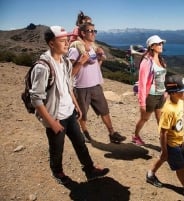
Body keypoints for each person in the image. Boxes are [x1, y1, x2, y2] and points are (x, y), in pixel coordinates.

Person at [29, 25, 109, 184]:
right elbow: (36, 99)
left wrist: (77, 106)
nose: (67, 44)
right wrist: (51, 122)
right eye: (63, 41)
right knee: (57, 148)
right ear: (52, 44)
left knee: (80, 142)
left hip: (70, 113)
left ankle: (89, 169)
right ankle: (57, 172)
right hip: (55, 117)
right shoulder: (42, 67)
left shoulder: (65, 62)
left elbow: (68, 86)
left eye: (67, 41)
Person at [146, 75, 184, 199]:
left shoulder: (180, 102)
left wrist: (179, 140)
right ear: (173, 93)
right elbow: (163, 132)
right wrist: (165, 149)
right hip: (170, 143)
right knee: (180, 166)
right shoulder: (168, 110)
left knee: (163, 158)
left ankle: (150, 174)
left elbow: (177, 124)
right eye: (183, 90)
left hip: (176, 141)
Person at [68, 22, 126, 143]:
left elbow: (95, 67)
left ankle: (112, 133)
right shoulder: (75, 49)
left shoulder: (93, 48)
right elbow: (70, 73)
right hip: (81, 87)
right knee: (82, 114)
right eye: (91, 31)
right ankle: (84, 133)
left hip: (95, 86)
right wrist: (81, 62)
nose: (94, 33)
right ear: (83, 33)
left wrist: (100, 59)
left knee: (104, 110)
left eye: (95, 31)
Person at [132, 35, 167, 145]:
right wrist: (142, 103)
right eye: (159, 44)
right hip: (151, 96)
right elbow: (142, 83)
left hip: (161, 95)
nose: (161, 45)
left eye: (162, 43)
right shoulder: (147, 61)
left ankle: (164, 143)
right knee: (144, 118)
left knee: (160, 120)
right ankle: (136, 136)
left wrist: (165, 91)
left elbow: (162, 78)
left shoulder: (160, 59)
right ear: (152, 46)